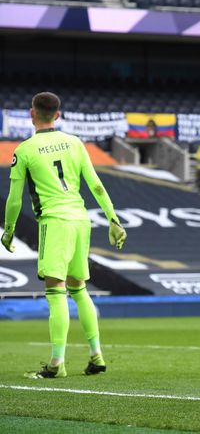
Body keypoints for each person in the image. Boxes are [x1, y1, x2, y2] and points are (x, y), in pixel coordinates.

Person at [1, 92, 127, 378]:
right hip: (81, 220)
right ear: (57, 115)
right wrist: (114, 220)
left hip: (55, 221)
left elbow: (14, 200)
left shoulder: (25, 150)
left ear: (31, 113)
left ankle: (57, 364)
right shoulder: (75, 143)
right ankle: (97, 356)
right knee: (79, 289)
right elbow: (95, 185)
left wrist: (8, 230)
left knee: (55, 291)